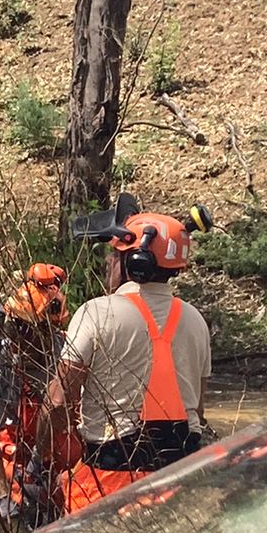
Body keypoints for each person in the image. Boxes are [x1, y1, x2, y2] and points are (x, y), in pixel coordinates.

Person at [45, 203, 212, 514]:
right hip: (179, 476)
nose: (109, 261)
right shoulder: (196, 321)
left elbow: (58, 402)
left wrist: (41, 457)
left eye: (114, 254)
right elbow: (197, 411)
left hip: (111, 475)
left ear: (136, 261)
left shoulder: (97, 312)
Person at [0, 263, 77, 529]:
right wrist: (3, 496)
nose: (18, 336)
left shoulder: (71, 357)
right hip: (22, 468)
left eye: (26, 329)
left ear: (48, 329)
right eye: (15, 326)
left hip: (68, 468)